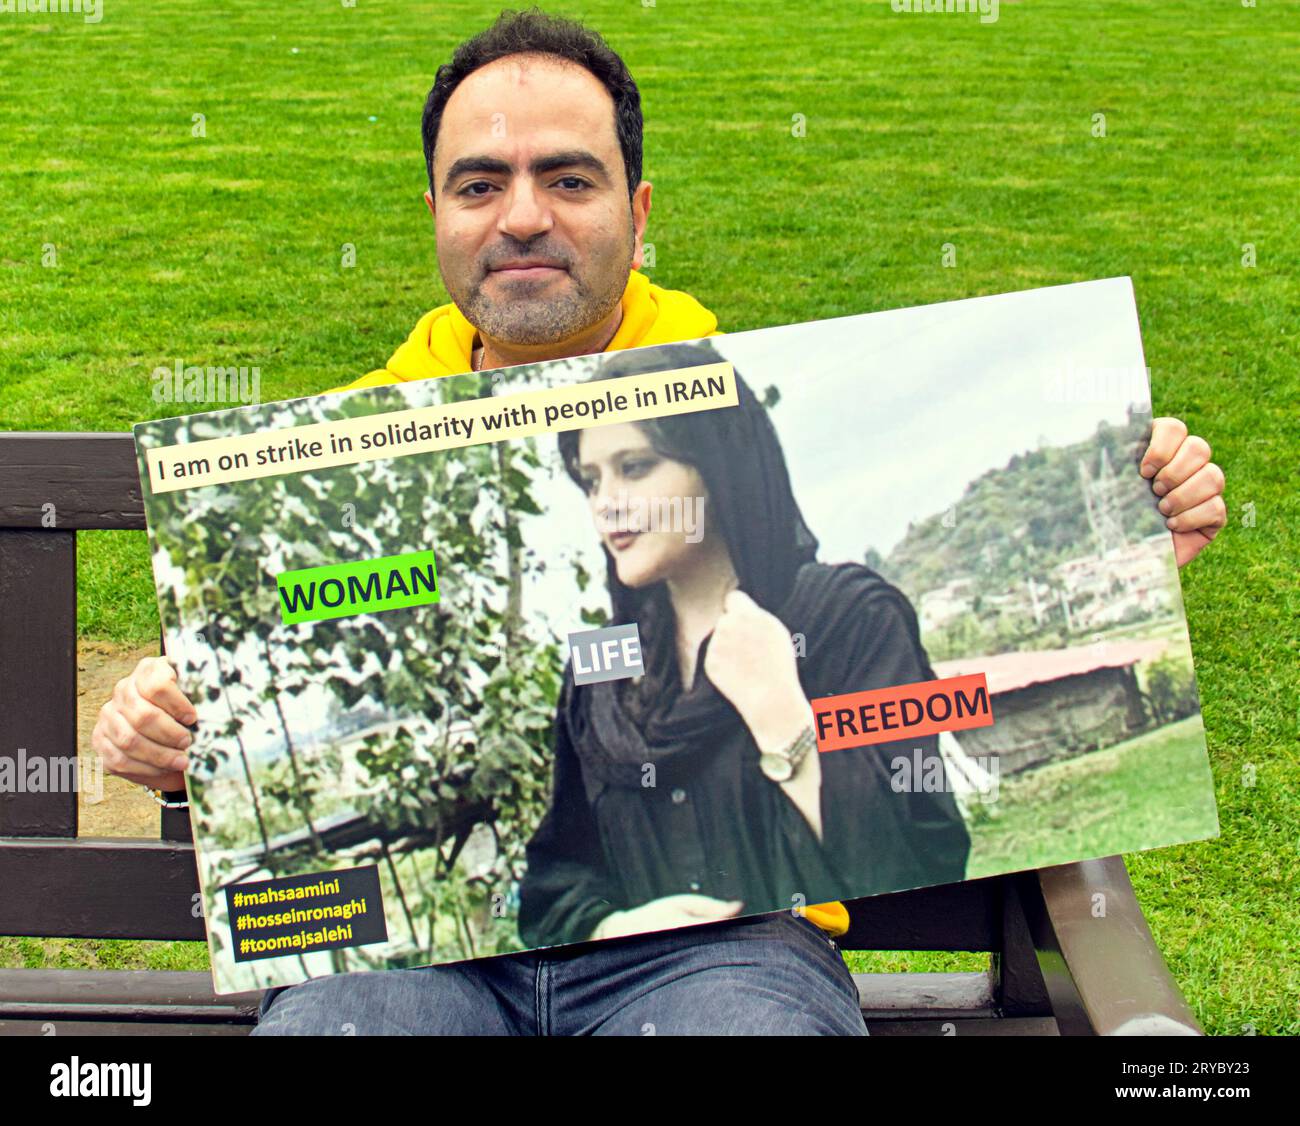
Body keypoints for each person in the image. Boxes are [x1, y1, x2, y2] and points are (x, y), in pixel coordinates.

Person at [92, 8, 1228, 1034]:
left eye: (569, 181)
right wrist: (174, 729)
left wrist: (1136, 527)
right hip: (420, 968)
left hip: (730, 960)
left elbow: (925, 836)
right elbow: (524, 850)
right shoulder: (342, 448)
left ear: (636, 215)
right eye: (479, 183)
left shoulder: (833, 604)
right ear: (436, 213)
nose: (521, 217)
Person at [518, 344, 971, 950]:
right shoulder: (601, 666)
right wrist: (615, 927)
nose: (606, 503)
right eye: (590, 478)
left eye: (635, 467)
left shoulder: (849, 619)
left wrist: (784, 719)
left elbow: (921, 867)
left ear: (718, 465)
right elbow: (557, 878)